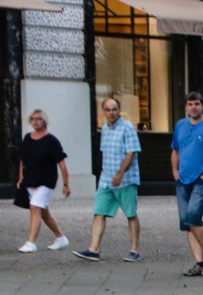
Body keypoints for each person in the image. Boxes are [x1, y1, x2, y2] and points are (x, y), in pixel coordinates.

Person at [74, 98, 142, 263]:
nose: (111, 113)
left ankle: (134, 250)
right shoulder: (104, 128)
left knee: (130, 214)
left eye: (114, 109)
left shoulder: (128, 128)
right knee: (99, 212)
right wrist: (107, 174)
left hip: (125, 179)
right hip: (106, 178)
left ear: (119, 110)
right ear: (103, 111)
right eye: (108, 109)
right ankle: (94, 248)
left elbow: (131, 153)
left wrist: (120, 173)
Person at [172, 92, 203, 277]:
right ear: (186, 106)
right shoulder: (180, 126)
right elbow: (175, 150)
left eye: (196, 104)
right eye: (190, 104)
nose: (193, 107)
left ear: (202, 106)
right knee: (187, 223)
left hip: (202, 181)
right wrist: (175, 172)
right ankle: (199, 262)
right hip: (183, 180)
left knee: (193, 217)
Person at [16, 109, 70, 253]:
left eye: (38, 119)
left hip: (46, 180)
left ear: (44, 121)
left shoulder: (52, 140)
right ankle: (60, 237)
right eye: (33, 119)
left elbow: (61, 163)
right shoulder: (27, 138)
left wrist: (66, 183)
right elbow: (23, 159)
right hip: (30, 179)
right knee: (42, 211)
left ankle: (31, 242)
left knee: (34, 207)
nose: (35, 121)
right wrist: (21, 177)